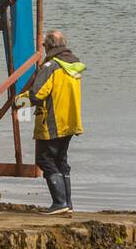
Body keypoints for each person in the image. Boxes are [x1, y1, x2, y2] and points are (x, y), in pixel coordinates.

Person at [17, 29, 85, 214]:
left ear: (48, 46)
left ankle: (60, 202)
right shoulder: (74, 65)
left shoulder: (51, 67)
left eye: (45, 46)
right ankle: (67, 203)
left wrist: (20, 100)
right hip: (70, 121)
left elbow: (38, 94)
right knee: (61, 160)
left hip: (52, 121)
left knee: (44, 159)